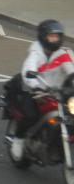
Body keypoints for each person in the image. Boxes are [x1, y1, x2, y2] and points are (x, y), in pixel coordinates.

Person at [9, 20, 74, 158]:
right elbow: (29, 69)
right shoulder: (36, 52)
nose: (54, 39)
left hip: (57, 91)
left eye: (57, 36)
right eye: (51, 36)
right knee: (29, 116)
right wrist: (36, 86)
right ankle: (18, 140)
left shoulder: (62, 53)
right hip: (35, 90)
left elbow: (70, 70)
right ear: (43, 37)